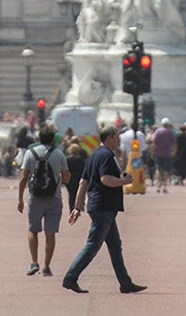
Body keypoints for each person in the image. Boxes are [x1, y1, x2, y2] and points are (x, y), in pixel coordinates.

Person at [61, 126, 145, 295]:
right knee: (93, 245)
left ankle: (125, 282)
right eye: (116, 138)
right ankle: (70, 278)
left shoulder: (93, 156)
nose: (119, 141)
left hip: (101, 206)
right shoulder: (106, 156)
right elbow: (105, 179)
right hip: (103, 206)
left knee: (115, 245)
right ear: (108, 139)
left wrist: (77, 207)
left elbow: (83, 183)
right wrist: (124, 181)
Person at [17, 127, 69, 278]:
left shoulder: (30, 153)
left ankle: (34, 262)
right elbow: (66, 178)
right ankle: (46, 266)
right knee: (50, 233)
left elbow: (23, 177)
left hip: (35, 197)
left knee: (33, 230)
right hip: (54, 198)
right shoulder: (59, 154)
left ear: (39, 138)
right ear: (53, 139)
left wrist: (20, 198)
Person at [150, 121, 175, 194]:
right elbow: (174, 143)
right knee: (166, 170)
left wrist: (152, 152)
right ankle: (165, 186)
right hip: (167, 153)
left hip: (158, 152)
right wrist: (174, 151)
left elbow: (153, 142)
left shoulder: (158, 131)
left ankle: (158, 185)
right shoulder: (170, 132)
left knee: (158, 168)